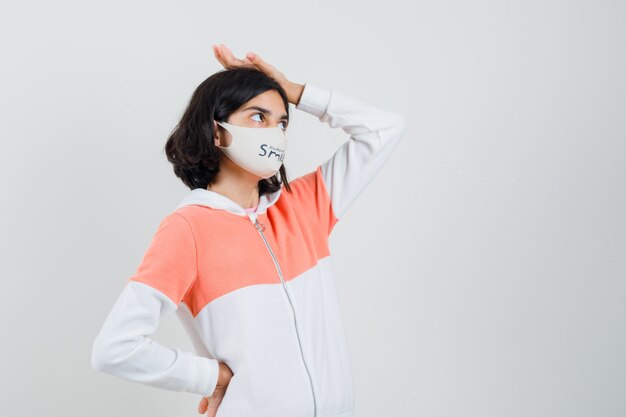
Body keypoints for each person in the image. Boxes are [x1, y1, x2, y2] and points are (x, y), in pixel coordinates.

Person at [91, 43, 406, 417]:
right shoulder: (188, 228)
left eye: (282, 121)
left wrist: (294, 91)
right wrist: (211, 378)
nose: (274, 132)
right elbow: (115, 347)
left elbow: (384, 129)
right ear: (216, 133)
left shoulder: (305, 205)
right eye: (258, 117)